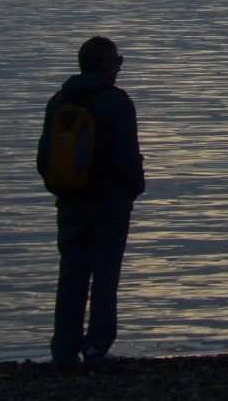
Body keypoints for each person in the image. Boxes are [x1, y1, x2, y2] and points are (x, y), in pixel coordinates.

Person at [37, 36, 146, 368]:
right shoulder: (116, 102)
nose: (119, 67)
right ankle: (97, 346)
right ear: (104, 65)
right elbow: (126, 156)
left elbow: (44, 158)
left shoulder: (59, 100)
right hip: (110, 203)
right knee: (105, 274)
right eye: (117, 61)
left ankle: (64, 349)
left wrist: (61, 188)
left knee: (71, 272)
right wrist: (135, 188)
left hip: (69, 200)